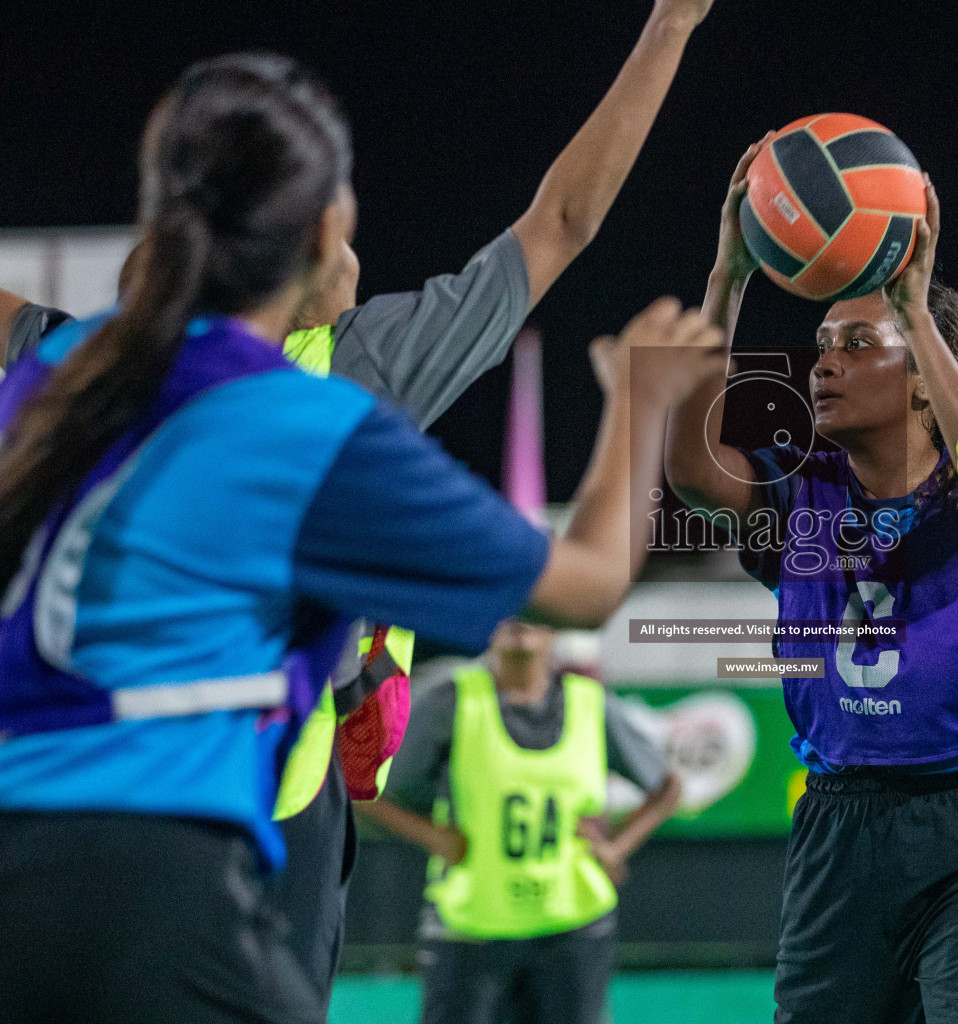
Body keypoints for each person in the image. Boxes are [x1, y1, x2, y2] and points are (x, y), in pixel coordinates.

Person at [0, 0, 721, 998]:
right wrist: (644, 401)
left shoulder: (59, 358)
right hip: (183, 853)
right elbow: (586, 584)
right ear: (319, 230)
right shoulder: (326, 412)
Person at [663, 141, 958, 1023]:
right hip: (840, 831)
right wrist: (729, 277)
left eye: (858, 343)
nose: (824, 362)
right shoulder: (799, 485)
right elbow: (693, 469)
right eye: (821, 343)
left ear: (926, 383)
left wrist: (917, 314)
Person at [358, 619, 681, 1024]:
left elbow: (668, 787)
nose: (521, 620)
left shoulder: (589, 703)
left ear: (558, 628)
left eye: (537, 611)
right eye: (513, 606)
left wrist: (615, 846)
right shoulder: (451, 702)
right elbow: (368, 790)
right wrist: (433, 836)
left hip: (572, 925)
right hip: (472, 927)